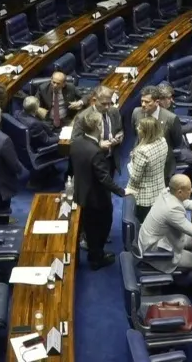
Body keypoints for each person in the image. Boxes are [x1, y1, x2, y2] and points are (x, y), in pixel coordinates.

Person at [70, 109, 125, 270]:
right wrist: (122, 192)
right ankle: (96, 258)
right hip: (97, 198)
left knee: (89, 225)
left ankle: (94, 252)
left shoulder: (76, 143)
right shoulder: (95, 151)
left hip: (81, 191)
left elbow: (71, 169)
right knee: (101, 227)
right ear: (98, 127)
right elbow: (104, 178)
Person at [137, 174, 192, 274]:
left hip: (156, 238)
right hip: (157, 251)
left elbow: (186, 203)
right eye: (189, 189)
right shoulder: (172, 210)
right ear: (180, 192)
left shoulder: (167, 192)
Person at [131, 86, 182, 183]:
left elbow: (177, 142)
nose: (143, 104)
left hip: (162, 165)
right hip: (141, 163)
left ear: (157, 102)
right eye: (142, 101)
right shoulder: (136, 113)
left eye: (147, 102)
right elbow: (135, 134)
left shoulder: (171, 118)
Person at [125, 116, 169, 223]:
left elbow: (135, 177)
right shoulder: (163, 141)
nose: (137, 129)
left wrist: (130, 163)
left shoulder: (142, 151)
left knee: (143, 224)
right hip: (159, 190)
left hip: (144, 197)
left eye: (140, 128)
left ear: (147, 131)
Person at [72, 85, 123, 173]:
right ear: (94, 100)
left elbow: (120, 129)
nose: (107, 107)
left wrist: (119, 137)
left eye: (109, 103)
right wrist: (98, 145)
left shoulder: (114, 111)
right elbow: (75, 142)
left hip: (110, 159)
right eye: (104, 104)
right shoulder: (82, 117)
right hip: (93, 162)